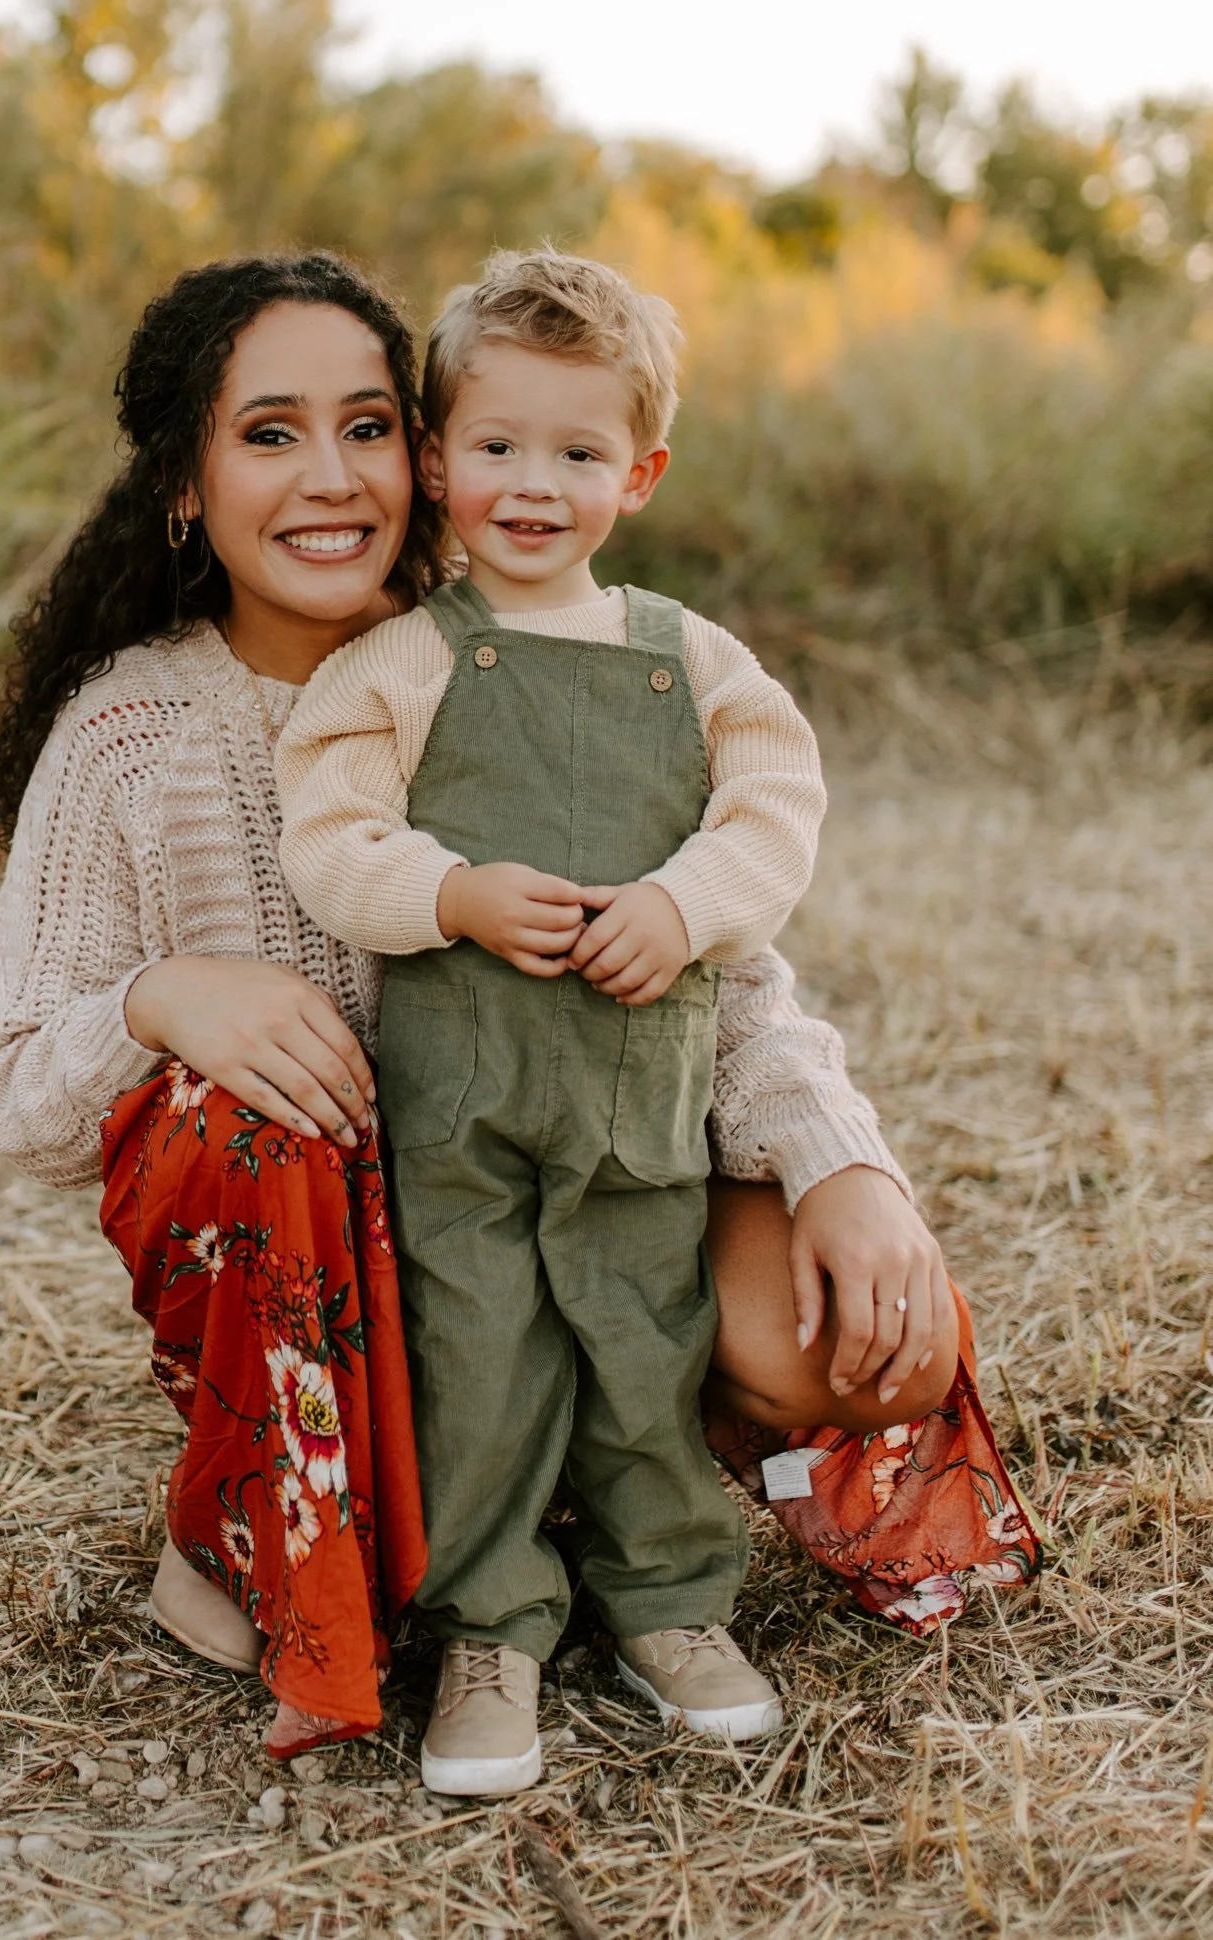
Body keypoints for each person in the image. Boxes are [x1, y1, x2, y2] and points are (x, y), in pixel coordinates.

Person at [0, 250, 1025, 1765]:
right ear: (185, 485)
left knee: (857, 1342)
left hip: (575, 1171)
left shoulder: (544, 649)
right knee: (252, 1127)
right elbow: (7, 1090)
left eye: (366, 427)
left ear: (423, 449)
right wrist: (161, 995)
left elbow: (712, 971)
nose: (330, 477)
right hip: (351, 1250)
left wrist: (840, 1162)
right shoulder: (132, 734)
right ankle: (304, 1528)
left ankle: (601, 1514)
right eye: (267, 434)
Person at [277, 248, 825, 1788]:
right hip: (463, 1111)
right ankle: (490, 1629)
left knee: (646, 1350)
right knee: (478, 1361)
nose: (533, 485)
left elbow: (776, 811)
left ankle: (669, 1603)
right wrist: (446, 893)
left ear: (637, 473)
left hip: (638, 1098)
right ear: (434, 456)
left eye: (578, 453)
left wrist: (685, 903)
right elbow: (327, 833)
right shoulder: (398, 664)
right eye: (498, 446)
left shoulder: (687, 658)